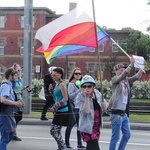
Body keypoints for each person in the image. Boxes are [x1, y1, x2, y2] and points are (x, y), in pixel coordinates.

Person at [109, 57, 147, 150]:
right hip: (116, 113)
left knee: (127, 135)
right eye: (121, 70)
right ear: (116, 72)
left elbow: (136, 77)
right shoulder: (115, 80)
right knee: (115, 138)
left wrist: (143, 67)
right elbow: (123, 76)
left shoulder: (126, 81)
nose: (123, 72)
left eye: (123, 70)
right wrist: (131, 65)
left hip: (124, 113)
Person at [76, 75, 108, 150]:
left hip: (96, 126)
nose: (87, 88)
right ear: (82, 87)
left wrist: (104, 105)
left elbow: (105, 107)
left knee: (90, 148)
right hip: (87, 127)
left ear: (93, 86)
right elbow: (85, 112)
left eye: (89, 86)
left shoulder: (98, 94)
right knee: (95, 148)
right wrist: (87, 97)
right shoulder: (80, 97)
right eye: (84, 86)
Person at [0, 68, 24, 150]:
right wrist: (15, 103)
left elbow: (10, 98)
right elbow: (3, 99)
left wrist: (17, 102)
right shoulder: (6, 85)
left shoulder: (10, 86)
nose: (17, 77)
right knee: (5, 137)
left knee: (10, 134)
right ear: (10, 76)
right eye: (15, 75)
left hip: (9, 114)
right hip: (5, 115)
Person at [65, 67, 85, 149]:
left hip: (80, 108)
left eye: (79, 73)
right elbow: (70, 96)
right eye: (76, 73)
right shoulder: (71, 84)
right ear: (73, 74)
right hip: (73, 108)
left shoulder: (81, 83)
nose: (78, 75)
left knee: (80, 126)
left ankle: (79, 143)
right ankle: (66, 144)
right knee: (70, 125)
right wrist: (79, 90)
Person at [50, 67, 69, 150]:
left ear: (60, 75)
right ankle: (61, 147)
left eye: (54, 74)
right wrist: (51, 91)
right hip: (58, 110)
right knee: (56, 131)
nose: (52, 76)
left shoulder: (62, 84)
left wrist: (55, 106)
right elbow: (57, 97)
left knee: (53, 131)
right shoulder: (56, 84)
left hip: (62, 110)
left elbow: (65, 98)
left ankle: (63, 147)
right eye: (52, 74)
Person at [11, 63, 25, 141]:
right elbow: (10, 91)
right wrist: (16, 93)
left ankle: (13, 131)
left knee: (19, 117)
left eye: (21, 70)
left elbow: (19, 89)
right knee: (15, 117)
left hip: (19, 99)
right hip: (14, 100)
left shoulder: (20, 79)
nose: (20, 72)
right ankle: (13, 133)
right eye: (18, 70)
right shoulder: (13, 81)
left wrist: (22, 90)